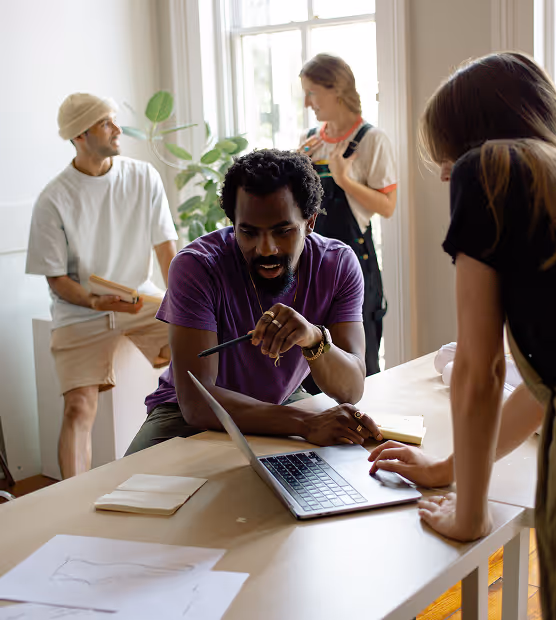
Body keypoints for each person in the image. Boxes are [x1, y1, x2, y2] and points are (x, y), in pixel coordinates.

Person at [368, 53, 556, 619]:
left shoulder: (489, 168)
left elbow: (482, 370)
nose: (449, 175)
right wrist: (444, 469)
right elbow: (553, 383)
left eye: (447, 157)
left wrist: (469, 512)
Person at [125, 149, 383, 455]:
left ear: (310, 221)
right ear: (232, 222)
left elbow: (351, 389)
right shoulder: (196, 267)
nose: (266, 249)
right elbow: (197, 403)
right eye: (248, 232)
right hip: (186, 418)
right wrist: (305, 423)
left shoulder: (337, 264)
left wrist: (313, 338)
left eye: (283, 231)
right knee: (120, 492)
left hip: (281, 401)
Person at [26, 93, 178, 479]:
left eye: (114, 120)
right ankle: (70, 501)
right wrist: (96, 302)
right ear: (80, 135)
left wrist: (184, 305)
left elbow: (166, 250)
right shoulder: (53, 199)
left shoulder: (143, 177)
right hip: (79, 310)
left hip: (139, 299)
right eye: (105, 123)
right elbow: (57, 280)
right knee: (79, 407)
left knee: (202, 345)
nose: (117, 129)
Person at [298, 53, 397, 379]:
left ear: (336, 89)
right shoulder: (310, 140)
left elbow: (387, 206)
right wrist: (295, 166)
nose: (307, 102)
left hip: (355, 266)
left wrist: (344, 180)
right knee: (311, 366)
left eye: (312, 92)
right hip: (310, 267)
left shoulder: (372, 140)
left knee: (360, 365)